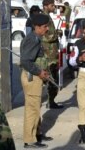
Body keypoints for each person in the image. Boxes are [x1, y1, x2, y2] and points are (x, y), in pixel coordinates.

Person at [20, 13, 52, 149]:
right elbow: (26, 61)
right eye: (45, 27)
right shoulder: (32, 40)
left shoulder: (35, 38)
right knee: (32, 109)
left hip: (35, 77)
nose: (47, 29)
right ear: (37, 27)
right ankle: (29, 140)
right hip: (32, 77)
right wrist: (39, 72)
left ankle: (37, 133)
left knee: (35, 107)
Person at [42, 0, 64, 109]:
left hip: (52, 54)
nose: (54, 7)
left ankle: (51, 101)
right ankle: (50, 102)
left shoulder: (47, 17)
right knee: (51, 80)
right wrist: (57, 33)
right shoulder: (44, 18)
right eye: (52, 5)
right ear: (46, 6)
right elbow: (47, 36)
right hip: (49, 55)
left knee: (52, 79)